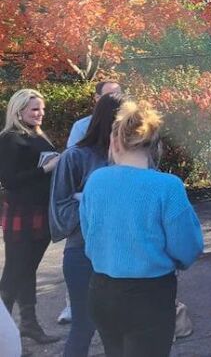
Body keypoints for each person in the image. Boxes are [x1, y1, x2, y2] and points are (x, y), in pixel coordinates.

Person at [80, 100, 203, 357]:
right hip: (149, 295)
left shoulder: (95, 181)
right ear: (155, 144)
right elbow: (188, 247)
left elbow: (90, 237)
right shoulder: (167, 186)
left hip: (101, 290)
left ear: (115, 141)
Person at [49, 92, 125, 357]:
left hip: (123, 253)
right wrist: (94, 205)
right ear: (111, 119)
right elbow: (59, 210)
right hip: (82, 253)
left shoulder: (135, 155)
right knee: (84, 326)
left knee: (117, 328)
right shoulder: (76, 157)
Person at [0, 89, 61, 345]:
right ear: (19, 110)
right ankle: (4, 333)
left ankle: (29, 325)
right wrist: (46, 168)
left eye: (42, 109)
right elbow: (9, 180)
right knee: (15, 271)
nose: (40, 114)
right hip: (22, 212)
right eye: (35, 109)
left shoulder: (37, 135)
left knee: (28, 269)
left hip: (39, 210)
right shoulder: (9, 138)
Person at [66, 81, 121, 149]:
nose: (117, 100)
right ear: (97, 98)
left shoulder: (130, 125)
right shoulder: (81, 127)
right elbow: (73, 156)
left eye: (119, 95)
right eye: (110, 97)